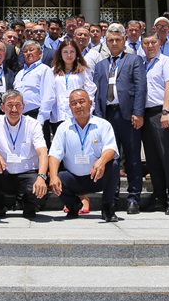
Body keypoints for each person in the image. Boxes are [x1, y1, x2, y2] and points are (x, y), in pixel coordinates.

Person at [92, 24, 146, 214]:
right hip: (107, 117)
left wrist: (138, 112)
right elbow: (97, 92)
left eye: (118, 40)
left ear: (124, 41)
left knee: (132, 158)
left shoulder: (135, 60)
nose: (114, 43)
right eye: (111, 40)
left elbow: (140, 88)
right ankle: (111, 199)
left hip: (129, 116)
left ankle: (133, 198)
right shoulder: (100, 65)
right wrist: (98, 118)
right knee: (110, 159)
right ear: (106, 43)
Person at [49, 89, 121, 222]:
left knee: (114, 165)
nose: (78, 106)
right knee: (55, 175)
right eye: (74, 103)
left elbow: (111, 148)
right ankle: (73, 205)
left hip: (96, 177)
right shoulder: (63, 128)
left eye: (81, 102)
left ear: (90, 103)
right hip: (74, 179)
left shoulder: (103, 125)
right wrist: (53, 176)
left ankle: (108, 207)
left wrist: (102, 161)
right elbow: (54, 154)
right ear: (70, 107)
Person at [0, 90, 49, 219]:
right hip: (4, 173)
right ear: (2, 107)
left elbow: (43, 153)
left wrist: (41, 177)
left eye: (18, 105)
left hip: (27, 173)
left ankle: (28, 205)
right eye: (10, 105)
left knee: (41, 194)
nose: (14, 109)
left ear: (23, 106)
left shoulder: (33, 124)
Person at [140, 32, 169, 214]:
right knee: (153, 159)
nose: (150, 46)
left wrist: (166, 111)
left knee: (168, 157)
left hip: (162, 113)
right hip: (146, 114)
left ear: (159, 44)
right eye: (146, 43)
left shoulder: (167, 61)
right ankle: (158, 197)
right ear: (142, 46)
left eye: (153, 42)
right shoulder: (142, 64)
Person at [49, 39, 97, 137]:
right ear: (60, 54)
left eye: (72, 52)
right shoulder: (52, 71)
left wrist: (89, 111)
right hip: (58, 115)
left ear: (77, 54)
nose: (69, 55)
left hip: (78, 115)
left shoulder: (83, 70)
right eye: (65, 52)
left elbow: (90, 92)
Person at [15, 41, 55, 125]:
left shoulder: (44, 69)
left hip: (37, 116)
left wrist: (41, 118)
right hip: (20, 117)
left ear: (40, 53)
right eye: (25, 51)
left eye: (31, 50)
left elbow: (48, 95)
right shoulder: (20, 73)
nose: (28, 53)